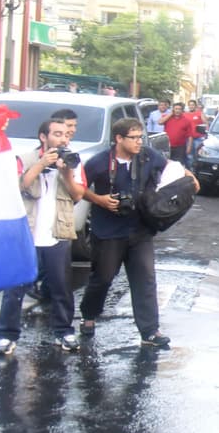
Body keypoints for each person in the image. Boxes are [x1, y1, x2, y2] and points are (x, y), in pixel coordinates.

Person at [80, 119, 198, 347]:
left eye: (140, 137)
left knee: (145, 279)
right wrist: (99, 200)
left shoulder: (148, 156)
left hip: (140, 229)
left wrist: (190, 179)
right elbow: (79, 187)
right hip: (108, 231)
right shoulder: (99, 162)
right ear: (119, 139)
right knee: (102, 279)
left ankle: (150, 331)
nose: (138, 142)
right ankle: (88, 316)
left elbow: (171, 167)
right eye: (133, 137)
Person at [0, 117, 86, 356]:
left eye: (66, 134)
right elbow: (21, 186)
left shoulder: (74, 160)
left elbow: (78, 195)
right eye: (57, 134)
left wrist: (66, 172)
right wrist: (42, 163)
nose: (63, 139)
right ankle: (6, 335)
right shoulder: (24, 159)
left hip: (57, 233)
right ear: (43, 137)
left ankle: (64, 331)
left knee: (61, 287)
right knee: (15, 288)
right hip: (27, 234)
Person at [184, 100, 207, 167]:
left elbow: (206, 123)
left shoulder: (199, 113)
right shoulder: (185, 114)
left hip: (198, 138)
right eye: (190, 105)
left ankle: (196, 170)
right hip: (188, 138)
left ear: (195, 106)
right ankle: (190, 171)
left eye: (193, 105)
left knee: (197, 155)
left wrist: (205, 134)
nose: (191, 106)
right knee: (189, 155)